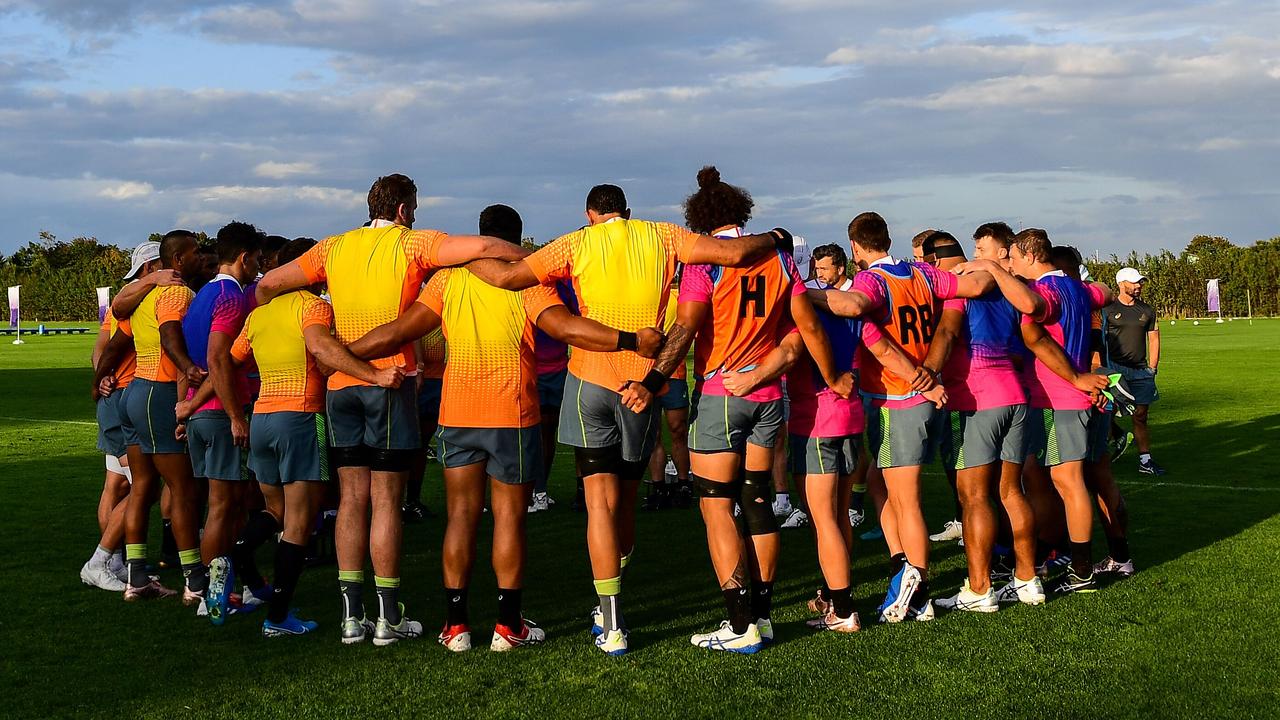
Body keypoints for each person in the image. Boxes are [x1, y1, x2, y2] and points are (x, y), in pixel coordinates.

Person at [465, 182, 792, 655]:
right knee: (627, 497)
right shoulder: (662, 234)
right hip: (643, 384)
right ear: (628, 211)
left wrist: (462, 256)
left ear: (589, 212)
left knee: (598, 502)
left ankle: (612, 623)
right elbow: (734, 253)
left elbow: (507, 279)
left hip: (588, 382)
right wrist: (776, 238)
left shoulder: (576, 241)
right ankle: (645, 599)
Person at [346, 203, 661, 653]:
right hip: (511, 415)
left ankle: (456, 626)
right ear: (516, 238)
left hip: (458, 414)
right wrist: (630, 340)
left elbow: (399, 330)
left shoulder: (449, 278)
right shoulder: (527, 281)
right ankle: (507, 625)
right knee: (509, 519)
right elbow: (568, 328)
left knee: (459, 517)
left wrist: (341, 355)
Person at [254, 174, 531, 645]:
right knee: (385, 500)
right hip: (388, 381)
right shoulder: (412, 243)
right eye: (415, 206)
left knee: (350, 500)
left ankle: (349, 617)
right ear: (404, 209)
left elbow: (269, 287)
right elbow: (484, 247)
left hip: (340, 382)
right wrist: (536, 258)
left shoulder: (333, 248)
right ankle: (386, 617)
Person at [627, 167, 850, 652]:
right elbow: (800, 326)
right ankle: (763, 616)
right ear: (742, 211)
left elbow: (684, 330)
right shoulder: (782, 259)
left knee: (716, 508)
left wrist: (651, 381)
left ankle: (739, 622)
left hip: (722, 391)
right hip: (769, 395)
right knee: (756, 502)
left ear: (700, 218)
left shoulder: (706, 262)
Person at [807, 212, 995, 623]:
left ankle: (920, 593)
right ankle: (902, 569)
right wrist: (984, 266)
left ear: (855, 247)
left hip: (899, 394)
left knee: (905, 499)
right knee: (880, 484)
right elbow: (976, 285)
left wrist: (803, 294)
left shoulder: (871, 281)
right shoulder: (921, 274)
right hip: (916, 393)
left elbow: (852, 304)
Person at [223, 237, 402, 636]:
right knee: (300, 524)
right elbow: (321, 348)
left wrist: (196, 403)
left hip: (263, 420)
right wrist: (372, 374)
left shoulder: (259, 316)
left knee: (275, 512)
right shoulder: (313, 307)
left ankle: (237, 553)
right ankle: (278, 617)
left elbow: (227, 360)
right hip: (300, 418)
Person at [921, 231, 1106, 611]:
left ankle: (979, 588)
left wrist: (927, 373)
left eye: (981, 249)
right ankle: (1027, 579)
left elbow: (949, 330)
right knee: (1011, 491)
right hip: (1018, 396)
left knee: (974, 496)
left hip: (979, 396)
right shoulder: (1016, 289)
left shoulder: (964, 289)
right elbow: (1036, 333)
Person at [971, 229, 1114, 594]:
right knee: (1055, 481)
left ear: (1032, 256)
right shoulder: (1077, 288)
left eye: (1015, 259)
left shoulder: (1047, 292)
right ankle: (1064, 557)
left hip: (1058, 397)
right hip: (1066, 398)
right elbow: (1106, 292)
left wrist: (994, 269)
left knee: (1069, 483)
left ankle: (1081, 571)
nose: (1012, 266)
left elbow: (1033, 313)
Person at [94, 230, 208, 603]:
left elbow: (114, 346)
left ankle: (137, 577)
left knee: (142, 486)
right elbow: (170, 332)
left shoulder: (141, 298)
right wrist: (187, 367)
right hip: (159, 392)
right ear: (178, 260)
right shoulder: (175, 292)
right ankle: (194, 581)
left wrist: (99, 381)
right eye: (195, 253)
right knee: (183, 489)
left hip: (133, 394)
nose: (201, 258)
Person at [176, 222, 263, 618]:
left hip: (200, 413)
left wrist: (186, 407)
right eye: (258, 261)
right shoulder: (230, 296)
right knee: (222, 507)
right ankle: (213, 597)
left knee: (227, 504)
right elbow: (217, 358)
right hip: (218, 414)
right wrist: (235, 416)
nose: (259, 269)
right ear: (244, 258)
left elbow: (191, 362)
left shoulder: (203, 293)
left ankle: (225, 588)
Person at [81, 242, 163, 592]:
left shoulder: (121, 302)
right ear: (150, 269)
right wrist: (105, 378)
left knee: (116, 483)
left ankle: (114, 561)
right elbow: (106, 350)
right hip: (125, 398)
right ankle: (102, 559)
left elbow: (99, 349)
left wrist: (101, 375)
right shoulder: (135, 301)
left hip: (114, 397)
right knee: (145, 485)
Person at [1103, 268, 1164, 475]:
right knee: (1106, 413)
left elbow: (1154, 338)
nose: (1139, 286)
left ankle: (1145, 462)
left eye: (1140, 282)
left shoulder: (1147, 310)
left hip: (1141, 372)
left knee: (1140, 416)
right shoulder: (1107, 309)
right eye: (1134, 282)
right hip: (1114, 370)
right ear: (1121, 284)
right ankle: (1107, 450)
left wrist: (1152, 368)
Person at [531, 280, 580, 513]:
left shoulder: (564, 285)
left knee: (568, 431)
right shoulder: (529, 284)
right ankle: (538, 490)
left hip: (560, 369)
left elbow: (579, 314)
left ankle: (580, 491)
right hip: (532, 370)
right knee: (538, 433)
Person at [643, 283, 692, 511]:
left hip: (674, 373)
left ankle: (683, 484)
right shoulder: (644, 293)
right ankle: (659, 487)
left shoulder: (681, 295)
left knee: (678, 430)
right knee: (652, 435)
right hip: (645, 373)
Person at [404, 327, 445, 522]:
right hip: (417, 375)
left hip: (439, 376)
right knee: (407, 443)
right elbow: (413, 328)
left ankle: (412, 500)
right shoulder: (418, 296)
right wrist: (419, 366)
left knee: (420, 443)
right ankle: (404, 502)